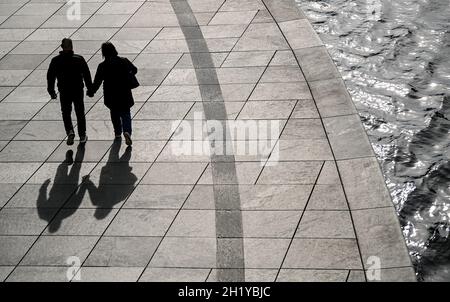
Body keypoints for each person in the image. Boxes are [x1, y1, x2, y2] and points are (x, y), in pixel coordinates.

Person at [88, 42, 137, 146]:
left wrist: (91, 91)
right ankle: (127, 131)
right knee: (126, 113)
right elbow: (135, 69)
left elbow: (97, 81)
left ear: (103, 53)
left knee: (114, 113)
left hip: (110, 94)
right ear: (114, 49)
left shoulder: (102, 66)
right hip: (124, 92)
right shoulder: (123, 61)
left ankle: (118, 132)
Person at [47, 38, 92, 145]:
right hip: (77, 90)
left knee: (66, 113)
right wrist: (90, 89)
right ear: (72, 46)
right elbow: (86, 75)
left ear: (61, 47)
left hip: (64, 90)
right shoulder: (79, 59)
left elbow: (50, 77)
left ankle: (70, 131)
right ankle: (82, 135)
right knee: (80, 112)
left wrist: (51, 91)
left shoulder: (55, 60)